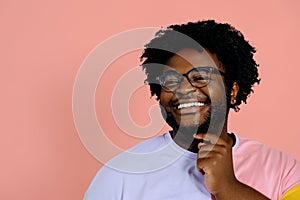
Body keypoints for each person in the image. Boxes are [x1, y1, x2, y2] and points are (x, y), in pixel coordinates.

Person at [84, 20, 300, 199]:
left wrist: (228, 187)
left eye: (200, 77)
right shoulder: (122, 173)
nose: (184, 90)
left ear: (232, 90)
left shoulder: (283, 169)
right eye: (170, 80)